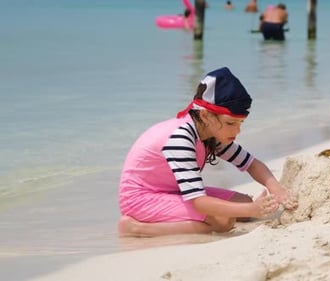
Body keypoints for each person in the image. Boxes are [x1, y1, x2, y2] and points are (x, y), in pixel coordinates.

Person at [118, 67, 298, 237]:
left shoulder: (211, 133)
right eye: (230, 123)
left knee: (243, 203)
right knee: (222, 222)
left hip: (173, 191)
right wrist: (252, 211)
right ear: (205, 115)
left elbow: (251, 164)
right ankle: (135, 227)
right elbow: (200, 203)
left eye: (239, 124)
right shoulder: (180, 138)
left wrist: (276, 190)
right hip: (141, 199)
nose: (236, 132)